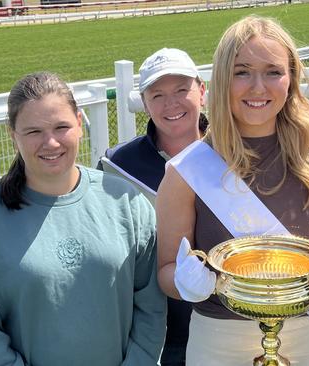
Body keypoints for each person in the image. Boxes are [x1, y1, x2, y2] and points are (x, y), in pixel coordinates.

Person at [156, 15, 309, 366]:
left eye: (273, 72)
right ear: (222, 80)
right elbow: (164, 271)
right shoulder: (187, 172)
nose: (258, 87)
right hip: (217, 341)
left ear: (291, 79)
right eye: (242, 72)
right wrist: (185, 282)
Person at [0, 72, 166, 366]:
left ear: (79, 123)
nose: (50, 143)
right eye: (34, 131)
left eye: (61, 127)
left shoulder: (126, 203)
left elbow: (151, 308)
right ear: (13, 135)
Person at [99, 48, 206, 366]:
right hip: (157, 337)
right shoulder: (118, 164)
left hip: (226, 326)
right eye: (157, 94)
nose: (171, 104)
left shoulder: (232, 151)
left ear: (202, 91)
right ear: (144, 103)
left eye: (181, 90)